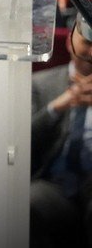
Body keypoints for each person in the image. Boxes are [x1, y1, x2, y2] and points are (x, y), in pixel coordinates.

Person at [29, 51, 92, 248]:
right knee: (29, 202)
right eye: (88, 42)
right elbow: (21, 142)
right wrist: (55, 108)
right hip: (54, 183)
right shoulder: (40, 83)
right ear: (70, 42)